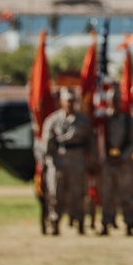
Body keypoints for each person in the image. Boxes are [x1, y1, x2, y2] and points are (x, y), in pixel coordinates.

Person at [38, 86, 96, 235]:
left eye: (72, 100)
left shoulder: (83, 120)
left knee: (78, 193)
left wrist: (93, 161)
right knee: (55, 194)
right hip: (58, 160)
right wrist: (45, 162)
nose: (70, 103)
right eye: (67, 100)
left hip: (77, 159)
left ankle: (80, 222)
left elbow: (91, 142)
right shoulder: (52, 120)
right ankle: (54, 222)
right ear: (61, 102)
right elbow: (47, 143)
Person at [101, 83, 133, 235]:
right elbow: (97, 139)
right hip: (107, 162)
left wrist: (123, 156)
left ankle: (129, 223)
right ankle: (106, 223)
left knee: (127, 193)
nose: (115, 102)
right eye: (112, 100)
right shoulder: (102, 119)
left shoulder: (129, 120)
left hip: (124, 163)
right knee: (107, 194)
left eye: (118, 99)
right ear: (108, 101)